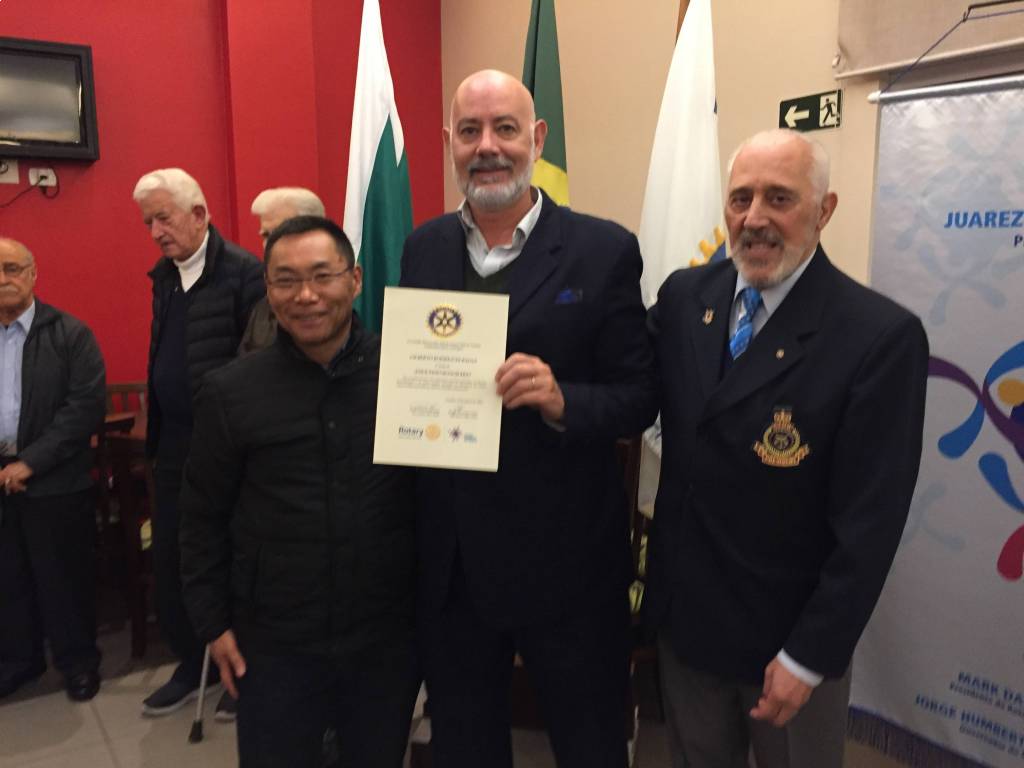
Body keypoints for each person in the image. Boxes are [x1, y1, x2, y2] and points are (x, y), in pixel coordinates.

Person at [646, 128, 930, 768]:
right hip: (688, 625)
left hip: (788, 642)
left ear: (824, 210)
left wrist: (808, 656)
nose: (754, 218)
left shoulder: (878, 338)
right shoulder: (686, 298)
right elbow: (629, 388)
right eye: (740, 198)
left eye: (779, 198)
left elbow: (870, 526)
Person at [400, 69, 657, 767]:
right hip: (455, 569)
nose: (488, 146)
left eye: (505, 129)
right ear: (449, 143)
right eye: (470, 131)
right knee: (465, 745)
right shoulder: (423, 247)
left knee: (589, 744)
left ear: (537, 139)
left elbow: (640, 394)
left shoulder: (603, 250)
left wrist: (563, 398)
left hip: (567, 565)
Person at [179, 216, 418, 768]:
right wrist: (212, 622)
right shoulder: (231, 392)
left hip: (385, 636)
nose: (305, 296)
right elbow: (200, 516)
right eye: (285, 280)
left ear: (355, 280)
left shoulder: (408, 376)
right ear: (268, 291)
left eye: (322, 276)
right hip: (274, 642)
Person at [132, 168, 264, 718]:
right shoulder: (164, 277)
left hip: (225, 446)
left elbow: (255, 360)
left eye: (163, 218)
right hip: (173, 445)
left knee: (229, 558)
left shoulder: (244, 273)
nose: (156, 232)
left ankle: (240, 671)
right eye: (148, 222)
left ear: (199, 215)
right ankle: (191, 665)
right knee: (172, 556)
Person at [0, 238, 106, 702]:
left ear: (32, 273)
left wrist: (30, 463)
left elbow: (84, 408)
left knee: (63, 578)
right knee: (8, 578)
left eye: (11, 268)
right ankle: (19, 662)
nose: (3, 279)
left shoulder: (70, 334)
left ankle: (78, 663)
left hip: (55, 477)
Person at [239, 187, 326, 355]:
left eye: (281, 233)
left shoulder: (334, 296)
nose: (271, 245)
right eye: (266, 235)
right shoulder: (264, 304)